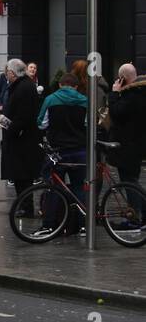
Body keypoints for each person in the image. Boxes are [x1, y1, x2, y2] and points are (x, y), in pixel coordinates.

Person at [39, 73, 89, 234]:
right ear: (75, 86)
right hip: (80, 150)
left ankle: (49, 224)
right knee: (79, 187)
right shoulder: (85, 101)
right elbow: (89, 124)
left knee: (54, 188)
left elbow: (41, 123)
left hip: (58, 151)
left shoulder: (50, 99)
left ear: (60, 85)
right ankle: (83, 225)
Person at [1, 58, 41, 206]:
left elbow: (22, 115)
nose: (6, 75)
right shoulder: (24, 85)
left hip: (22, 139)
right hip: (23, 137)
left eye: (7, 72)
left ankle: (25, 205)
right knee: (22, 176)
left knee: (22, 176)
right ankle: (24, 204)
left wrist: (10, 128)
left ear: (12, 72)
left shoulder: (22, 87)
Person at [107, 63, 146, 183]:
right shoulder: (141, 92)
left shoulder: (130, 95)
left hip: (126, 146)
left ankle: (139, 202)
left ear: (122, 79)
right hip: (138, 144)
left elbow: (116, 112)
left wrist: (114, 94)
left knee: (129, 181)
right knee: (133, 179)